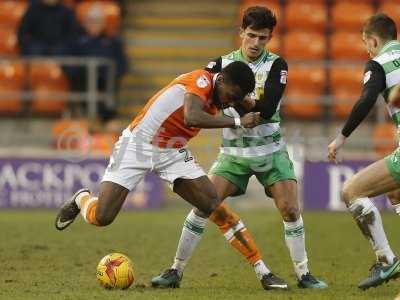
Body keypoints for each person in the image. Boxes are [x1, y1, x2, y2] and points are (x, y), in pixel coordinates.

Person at [152, 6, 326, 290]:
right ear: (241, 32)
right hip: (233, 154)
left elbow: (268, 108)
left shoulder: (277, 65)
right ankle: (175, 270)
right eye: (252, 35)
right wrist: (240, 113)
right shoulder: (219, 65)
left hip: (270, 152)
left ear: (270, 38)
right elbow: (203, 99)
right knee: (202, 207)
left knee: (290, 210)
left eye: (263, 38)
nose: (256, 44)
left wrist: (236, 101)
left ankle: (304, 274)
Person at [55, 62, 260, 242]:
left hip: (172, 150)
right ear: (221, 79)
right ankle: (81, 198)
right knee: (102, 217)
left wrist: (252, 104)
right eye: (231, 96)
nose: (230, 103)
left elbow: (250, 103)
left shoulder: (223, 91)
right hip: (137, 145)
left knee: (211, 202)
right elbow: (192, 117)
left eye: (236, 100)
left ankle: (254, 267)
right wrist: (238, 121)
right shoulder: (201, 81)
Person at [328, 13, 400, 290]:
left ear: (373, 39)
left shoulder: (378, 62)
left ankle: (386, 260)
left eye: (365, 43)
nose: (366, 49)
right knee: (395, 191)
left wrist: (340, 138)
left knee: (351, 192)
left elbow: (367, 98)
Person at [67, 4, 128, 122]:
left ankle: (106, 118)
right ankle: (84, 116)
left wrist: (111, 74)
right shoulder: (76, 42)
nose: (94, 24)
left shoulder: (113, 42)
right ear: (84, 23)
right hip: (83, 82)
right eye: (91, 21)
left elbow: (122, 64)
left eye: (97, 21)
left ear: (104, 23)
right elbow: (69, 64)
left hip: (106, 82)